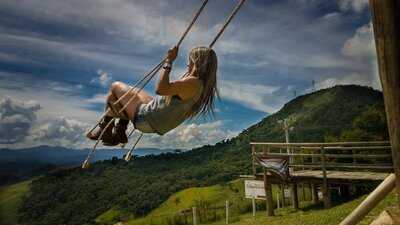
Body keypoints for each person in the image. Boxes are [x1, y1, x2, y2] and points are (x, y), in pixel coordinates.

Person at [86, 46, 218, 146]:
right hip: (157, 124)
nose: (187, 64)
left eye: (190, 60)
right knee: (132, 92)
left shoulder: (192, 82)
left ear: (196, 62)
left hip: (146, 119)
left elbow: (160, 89)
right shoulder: (203, 87)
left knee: (115, 87)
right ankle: (118, 131)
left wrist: (169, 61)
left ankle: (108, 130)